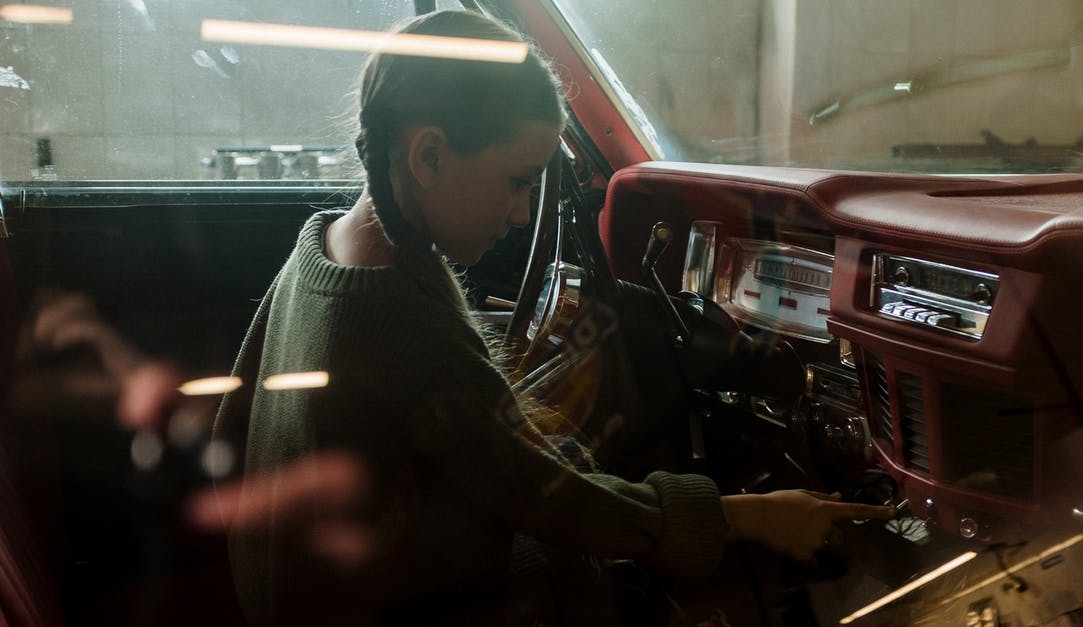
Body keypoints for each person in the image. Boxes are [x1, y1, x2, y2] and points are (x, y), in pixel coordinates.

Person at [211, 9, 894, 626]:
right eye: (517, 181)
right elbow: (548, 499)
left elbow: (232, 430)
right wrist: (754, 515)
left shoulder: (323, 247)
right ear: (429, 154)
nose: (519, 215)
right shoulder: (402, 321)